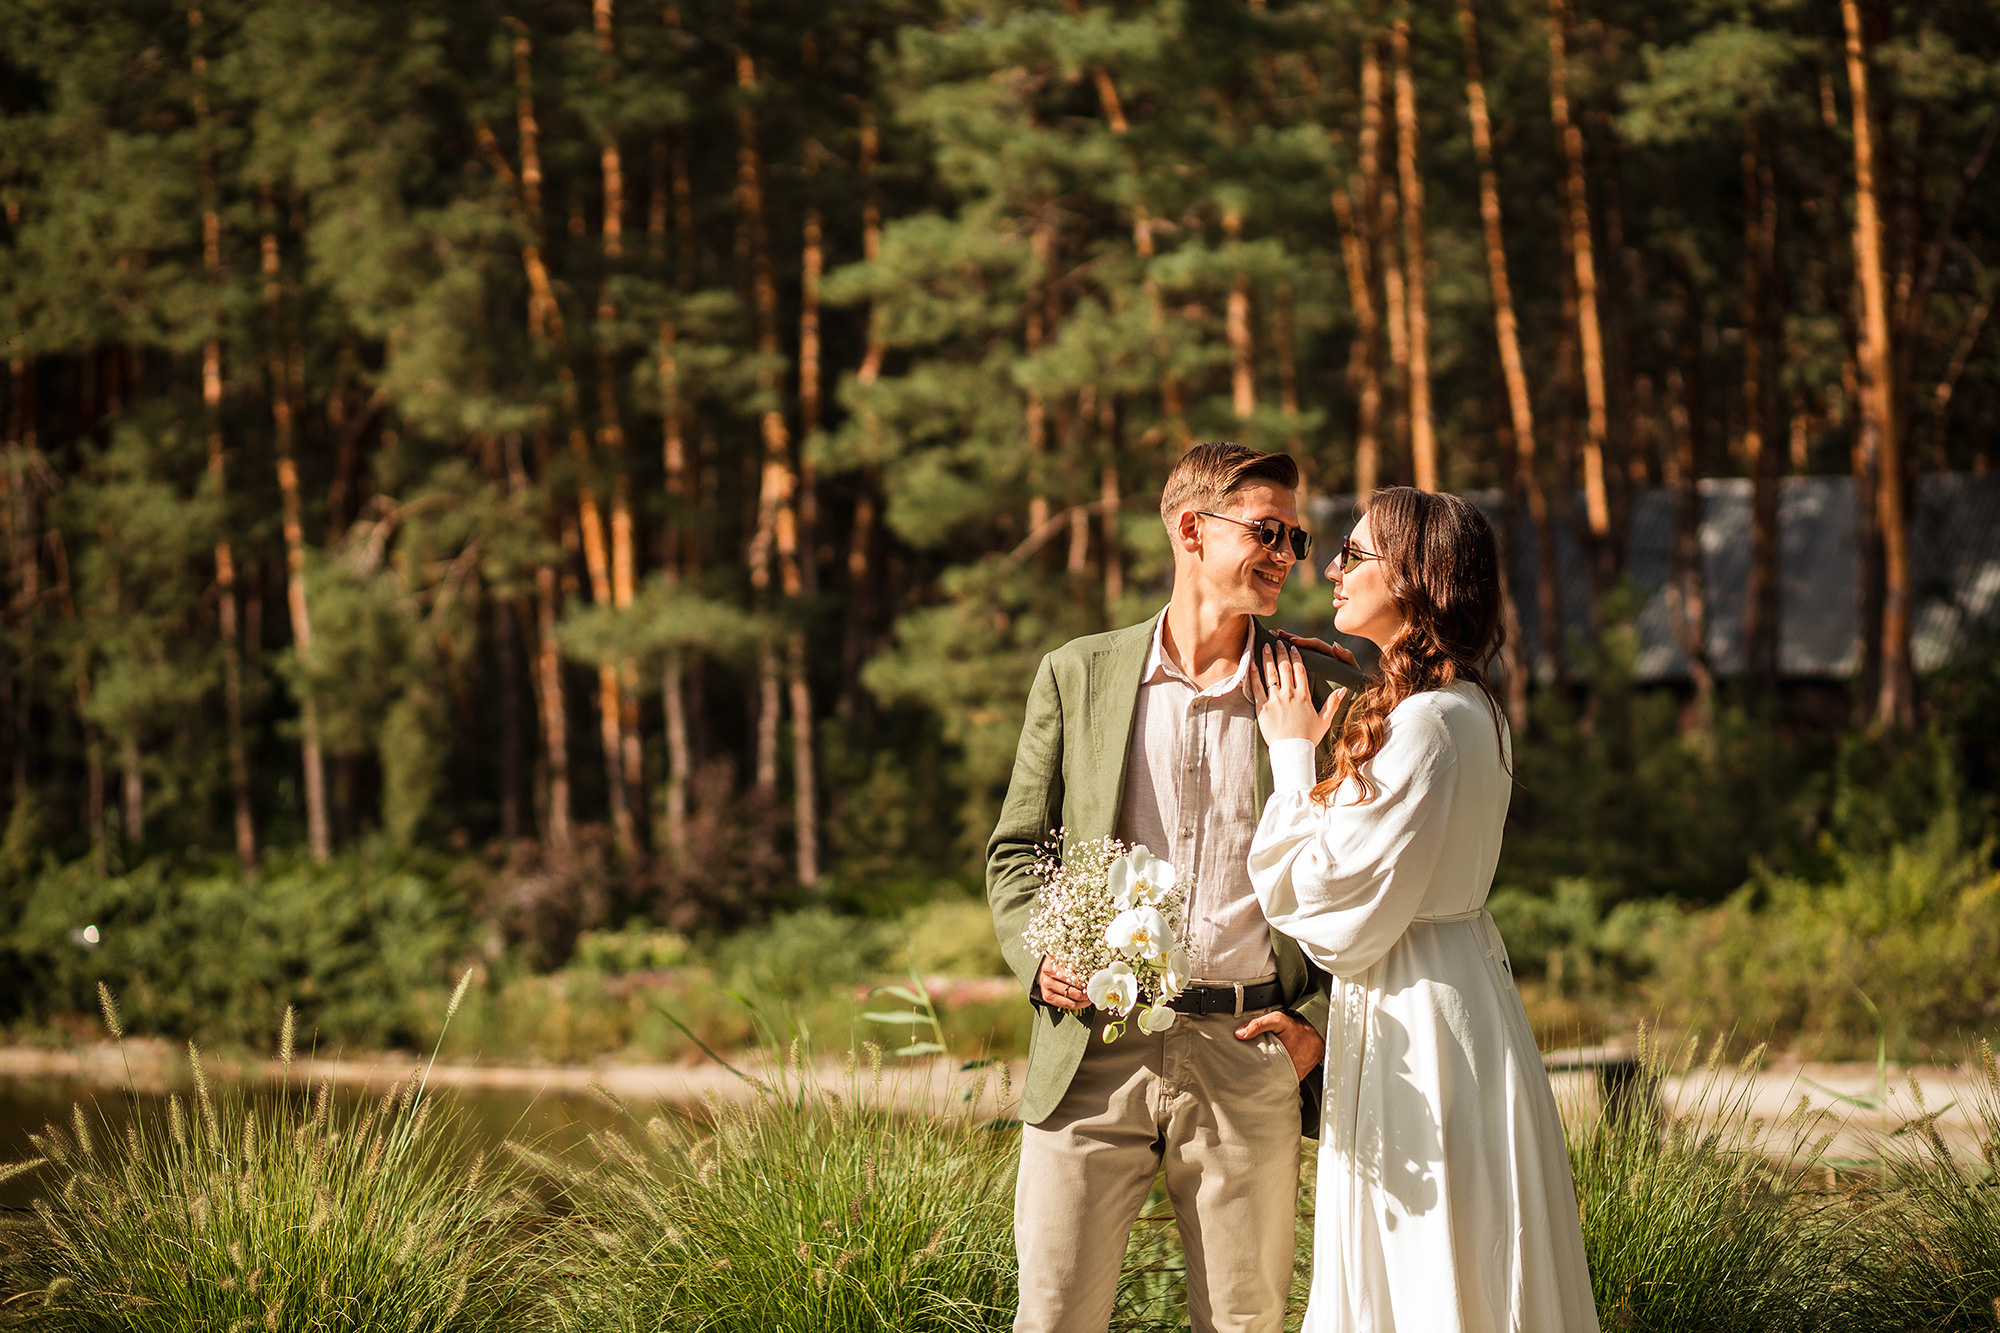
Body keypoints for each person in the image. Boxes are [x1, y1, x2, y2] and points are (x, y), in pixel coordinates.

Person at [988, 442, 1366, 1333]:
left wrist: (1328, 1027)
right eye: (1266, 531)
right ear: (1191, 529)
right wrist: (1042, 954)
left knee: (1244, 1323)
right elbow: (1014, 852)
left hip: (1249, 1049)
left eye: (1295, 539)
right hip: (1094, 1047)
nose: (1284, 555)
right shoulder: (1076, 674)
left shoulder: (1324, 686)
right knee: (1051, 1317)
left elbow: (1369, 877)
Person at [1246, 486, 1600, 1332]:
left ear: (1416, 576)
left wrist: (1292, 755)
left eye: (1355, 554)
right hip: (1440, 995)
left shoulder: (1433, 723)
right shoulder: (1453, 710)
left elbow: (1328, 906)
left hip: (1426, 1022)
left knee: (1429, 1260)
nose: (1330, 567)